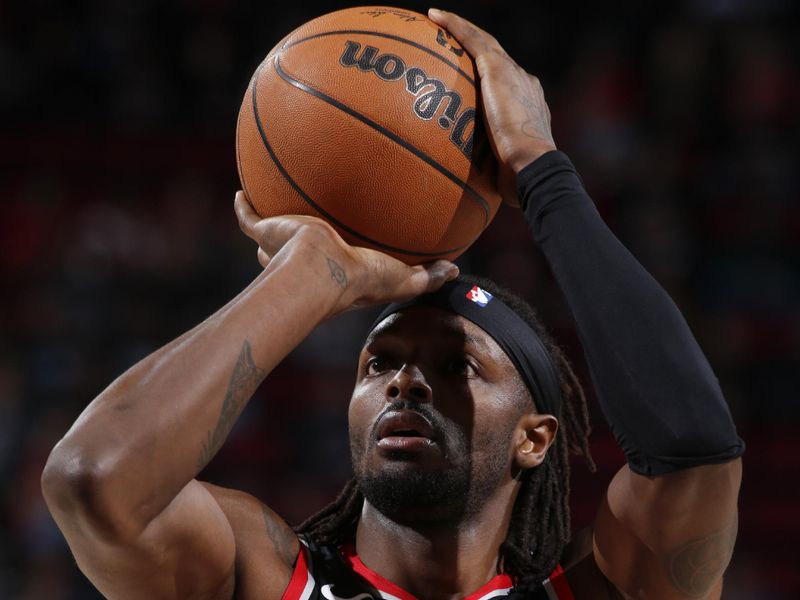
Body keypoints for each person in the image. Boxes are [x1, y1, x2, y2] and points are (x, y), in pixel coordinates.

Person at [41, 9, 744, 600]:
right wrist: (310, 275)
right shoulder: (256, 575)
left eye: (458, 366)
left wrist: (539, 168)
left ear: (535, 437)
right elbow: (92, 480)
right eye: (377, 364)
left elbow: (692, 450)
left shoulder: (601, 588)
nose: (405, 381)